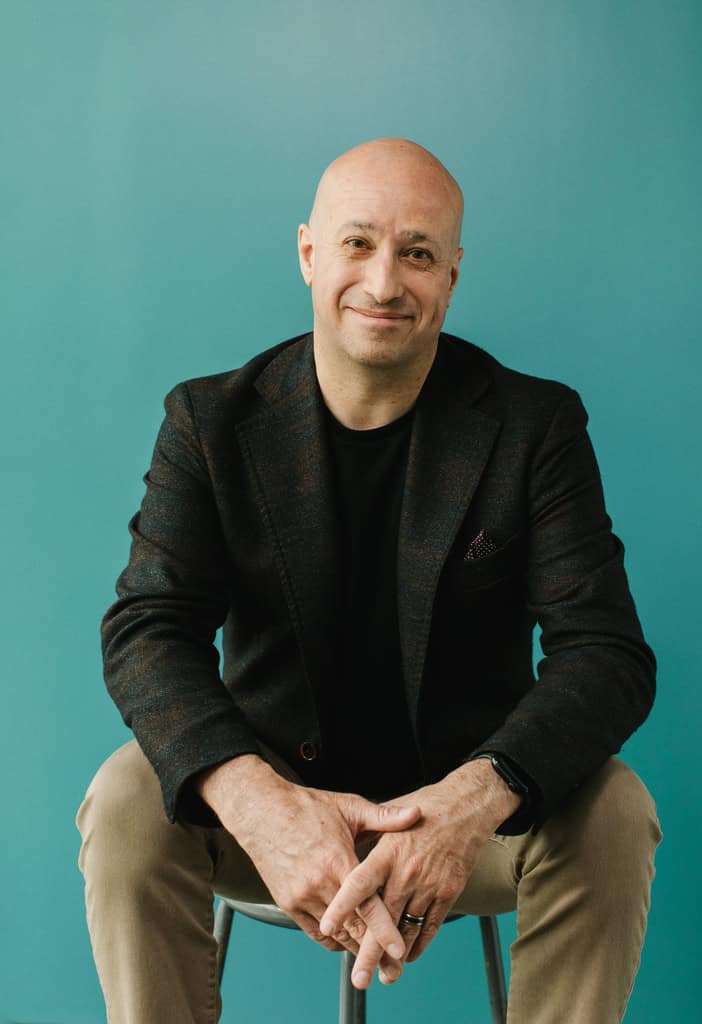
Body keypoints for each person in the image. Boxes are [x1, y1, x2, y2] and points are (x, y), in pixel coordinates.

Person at [77, 138, 662, 1024]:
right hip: (268, 803)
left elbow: (607, 654)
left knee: (615, 808)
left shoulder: (535, 425)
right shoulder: (206, 421)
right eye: (358, 244)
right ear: (310, 253)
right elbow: (148, 630)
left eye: (418, 252)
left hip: (475, 813)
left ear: (453, 275)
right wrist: (262, 805)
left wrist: (472, 803)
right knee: (125, 799)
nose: (385, 283)